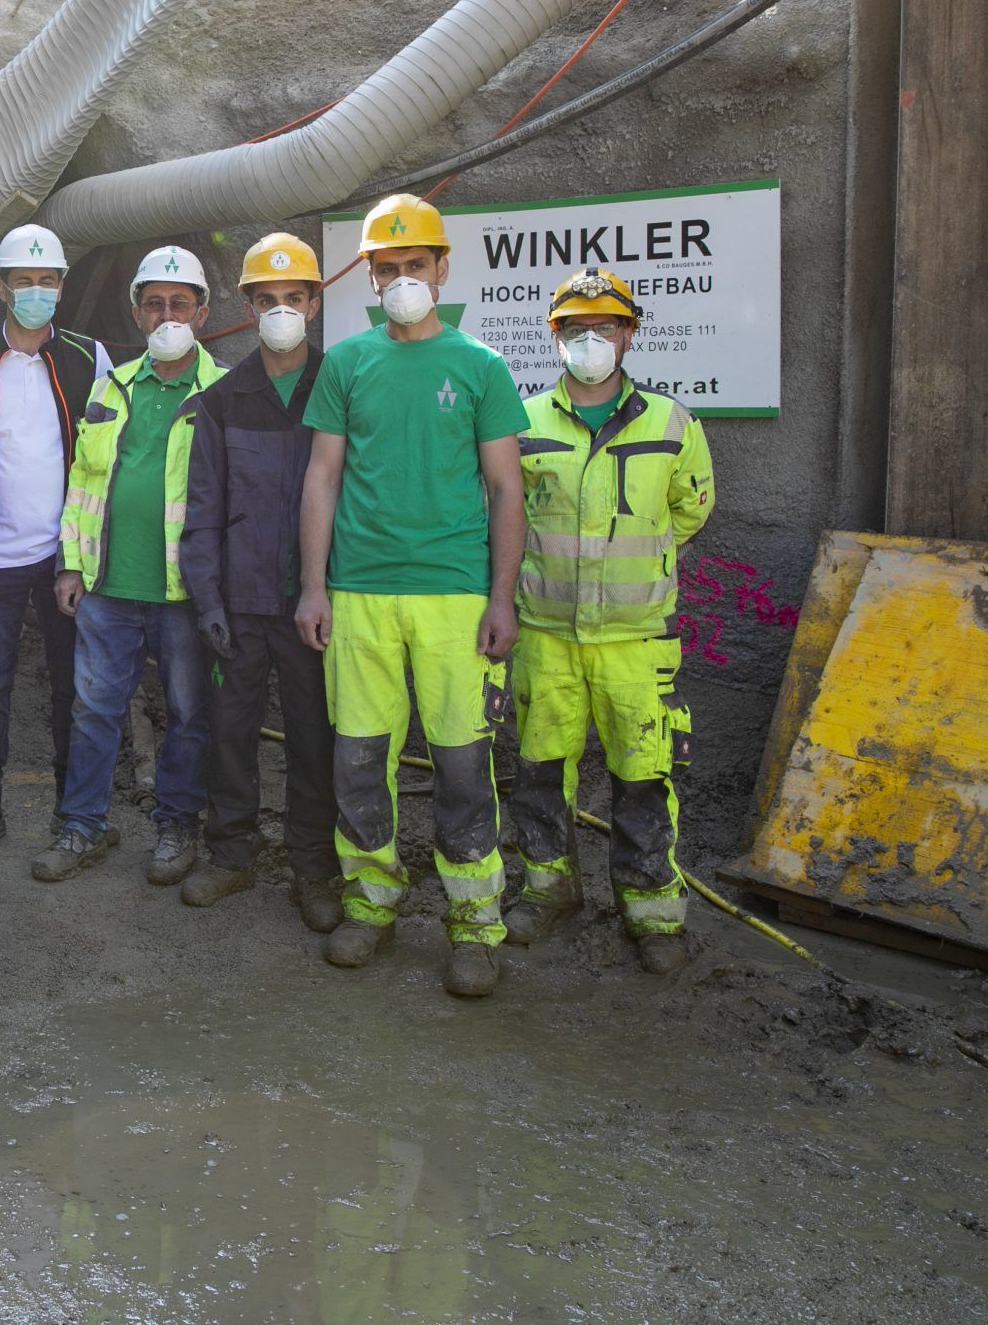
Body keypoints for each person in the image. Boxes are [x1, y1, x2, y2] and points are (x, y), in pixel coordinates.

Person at [295, 192, 529, 998]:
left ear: (442, 267)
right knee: (360, 759)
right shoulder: (347, 363)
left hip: (456, 597)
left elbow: (506, 488)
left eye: (413, 266)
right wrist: (312, 585)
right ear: (369, 275)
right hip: (359, 593)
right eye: (386, 269)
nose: (400, 280)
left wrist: (502, 597)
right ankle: (372, 902)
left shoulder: (480, 366)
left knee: (465, 765)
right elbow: (322, 477)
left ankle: (473, 926)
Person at [505, 267, 714, 974]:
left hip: (638, 642)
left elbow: (691, 509)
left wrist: (640, 565)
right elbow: (505, 515)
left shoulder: (671, 422)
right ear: (553, 335)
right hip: (546, 635)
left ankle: (652, 909)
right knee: (538, 772)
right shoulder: (523, 422)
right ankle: (547, 889)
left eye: (605, 326)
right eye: (574, 327)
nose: (590, 339)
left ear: (629, 333)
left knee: (645, 777)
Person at [36, 245, 223, 886]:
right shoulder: (110, 386)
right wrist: (69, 565)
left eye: (179, 303)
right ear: (137, 313)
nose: (166, 314)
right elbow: (82, 483)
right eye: (154, 304)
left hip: (185, 590)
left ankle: (177, 826)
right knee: (94, 711)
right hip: (107, 586)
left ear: (202, 311)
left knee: (189, 714)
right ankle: (82, 825)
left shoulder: (222, 395)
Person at [176, 233, 338, 927]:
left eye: (292, 298)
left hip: (311, 604)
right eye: (266, 299)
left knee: (314, 736)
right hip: (238, 606)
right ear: (247, 305)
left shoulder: (338, 388)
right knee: (231, 731)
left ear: (314, 302)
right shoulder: (221, 399)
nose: (280, 310)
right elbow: (202, 508)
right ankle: (232, 854)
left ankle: (315, 868)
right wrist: (207, 598)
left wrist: (330, 588)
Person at [0, 224, 110, 852]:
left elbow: (100, 460)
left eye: (48, 281)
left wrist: (80, 555)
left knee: (75, 685)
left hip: (63, 556)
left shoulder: (87, 357)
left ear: (63, 286)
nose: (37, 291)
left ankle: (77, 812)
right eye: (25, 281)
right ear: (1, 288)